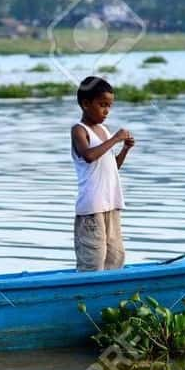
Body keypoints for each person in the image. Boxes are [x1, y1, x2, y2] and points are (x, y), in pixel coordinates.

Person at [72, 76, 136, 272]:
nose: (106, 111)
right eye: (102, 105)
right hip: (92, 209)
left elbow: (112, 166)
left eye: (109, 105)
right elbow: (89, 156)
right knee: (93, 260)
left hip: (111, 205)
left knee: (115, 259)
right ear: (85, 104)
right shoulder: (79, 130)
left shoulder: (103, 130)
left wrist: (125, 149)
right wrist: (116, 138)